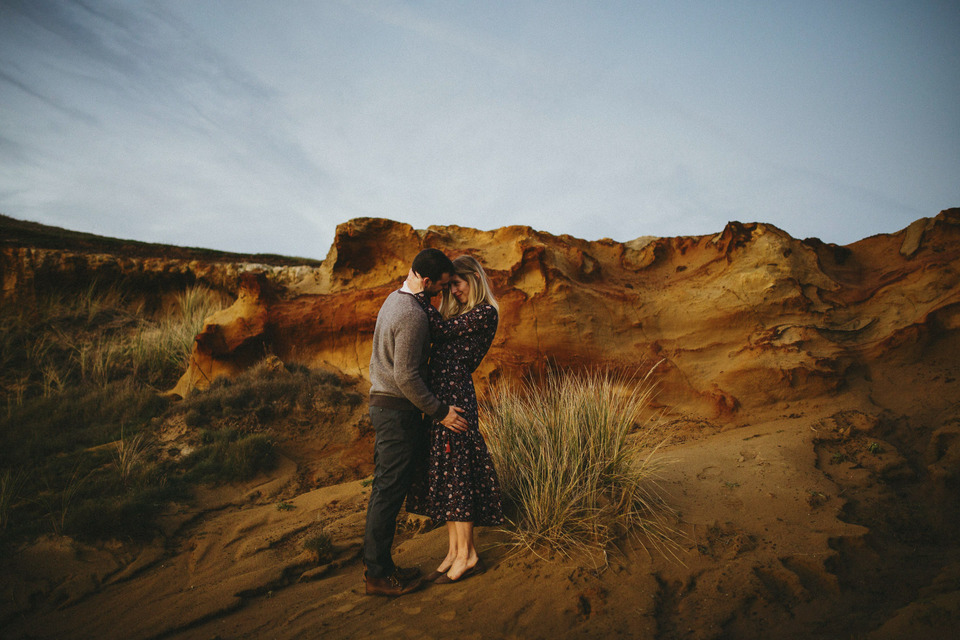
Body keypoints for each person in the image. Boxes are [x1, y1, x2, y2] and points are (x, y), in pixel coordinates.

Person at [363, 248, 468, 597]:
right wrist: (441, 412)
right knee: (388, 493)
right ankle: (378, 576)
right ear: (425, 281)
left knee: (386, 489)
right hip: (397, 411)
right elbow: (406, 376)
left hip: (385, 406)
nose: (442, 293)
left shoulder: (394, 299)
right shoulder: (412, 314)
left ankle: (382, 569)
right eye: (440, 287)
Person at [406, 255, 504, 583]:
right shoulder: (463, 313)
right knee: (449, 476)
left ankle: (469, 555)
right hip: (444, 398)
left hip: (456, 399)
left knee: (458, 474)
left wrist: (420, 294)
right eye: (450, 287)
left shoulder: (485, 312)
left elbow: (441, 329)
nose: (454, 291)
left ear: (475, 279)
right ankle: (454, 551)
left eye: (457, 284)